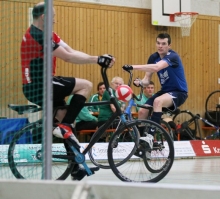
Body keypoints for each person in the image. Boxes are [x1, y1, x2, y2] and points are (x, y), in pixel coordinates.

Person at [21, 2, 115, 180]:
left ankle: (75, 168)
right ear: (44, 17)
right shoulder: (37, 35)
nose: (55, 21)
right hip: (40, 85)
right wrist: (97, 60)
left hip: (41, 84)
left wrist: (96, 57)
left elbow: (71, 50)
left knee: (68, 121)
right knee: (86, 85)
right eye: (53, 17)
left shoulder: (48, 35)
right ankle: (62, 127)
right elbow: (68, 57)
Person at [122, 33, 188, 156]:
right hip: (165, 91)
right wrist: (141, 82)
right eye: (158, 43)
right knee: (142, 111)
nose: (160, 46)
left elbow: (157, 68)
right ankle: (141, 143)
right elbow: (147, 79)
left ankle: (150, 137)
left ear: (169, 45)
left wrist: (132, 67)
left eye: (163, 44)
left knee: (158, 102)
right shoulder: (153, 57)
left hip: (178, 92)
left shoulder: (173, 56)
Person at [97, 77, 125, 141]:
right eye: (116, 83)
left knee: (128, 124)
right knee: (127, 125)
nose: (118, 85)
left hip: (113, 119)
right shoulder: (109, 91)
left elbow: (123, 107)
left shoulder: (119, 94)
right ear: (112, 84)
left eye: (120, 84)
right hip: (105, 120)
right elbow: (114, 108)